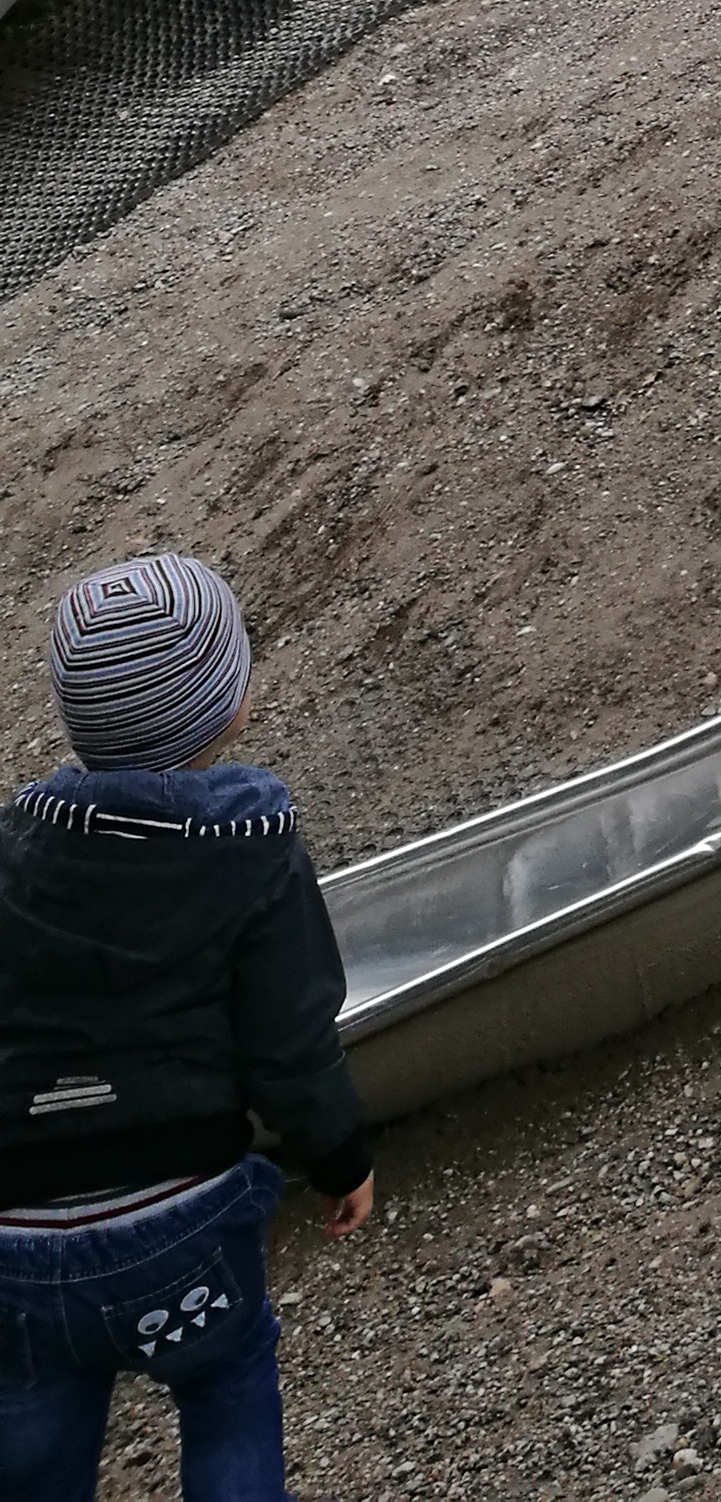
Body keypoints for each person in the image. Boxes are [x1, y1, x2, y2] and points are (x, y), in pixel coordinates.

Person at [0, 555, 372, 1500]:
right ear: (227, 705)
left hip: (18, 1245)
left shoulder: (14, 855)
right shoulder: (248, 847)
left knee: (33, 1446)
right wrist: (341, 1159)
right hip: (181, 1232)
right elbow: (290, 1039)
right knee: (228, 1384)